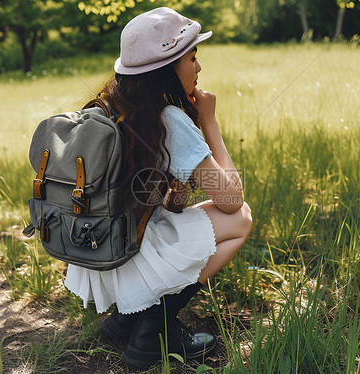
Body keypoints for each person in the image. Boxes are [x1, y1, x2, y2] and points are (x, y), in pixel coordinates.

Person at [63, 7, 253, 368]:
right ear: (166, 69)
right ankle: (154, 327)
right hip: (129, 251)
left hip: (99, 249)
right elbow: (231, 200)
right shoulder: (170, 119)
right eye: (193, 57)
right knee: (242, 219)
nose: (199, 68)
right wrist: (209, 124)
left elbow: (160, 203)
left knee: (194, 222)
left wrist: (178, 185)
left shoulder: (111, 105)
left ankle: (125, 319)